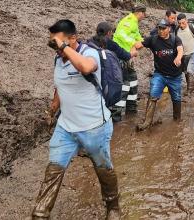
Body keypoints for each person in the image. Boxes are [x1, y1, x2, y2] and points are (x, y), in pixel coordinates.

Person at [31, 20, 120, 220]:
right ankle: (40, 212)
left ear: (73, 38)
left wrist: (63, 47)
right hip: (66, 128)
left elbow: (86, 68)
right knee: (54, 168)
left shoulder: (89, 53)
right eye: (53, 42)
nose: (56, 47)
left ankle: (113, 205)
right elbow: (60, 87)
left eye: (59, 42)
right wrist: (52, 109)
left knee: (103, 168)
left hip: (95, 127)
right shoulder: (58, 59)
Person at [137, 19, 183, 131]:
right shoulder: (153, 39)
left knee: (176, 98)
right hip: (160, 74)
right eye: (159, 28)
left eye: (163, 28)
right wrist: (131, 50)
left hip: (175, 76)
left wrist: (178, 57)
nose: (161, 30)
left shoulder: (175, 39)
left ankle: (177, 121)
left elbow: (180, 49)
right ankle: (147, 122)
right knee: (153, 95)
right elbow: (139, 44)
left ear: (169, 29)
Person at [90, 21, 138, 122]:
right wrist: (133, 52)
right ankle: (115, 118)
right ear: (109, 33)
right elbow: (126, 55)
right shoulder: (111, 44)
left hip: (94, 74)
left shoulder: (90, 42)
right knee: (119, 92)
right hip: (110, 76)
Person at [113, 4, 147, 115]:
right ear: (140, 13)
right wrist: (133, 43)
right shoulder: (128, 20)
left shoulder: (135, 23)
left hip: (129, 57)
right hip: (120, 56)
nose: (145, 16)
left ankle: (131, 109)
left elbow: (137, 36)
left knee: (133, 81)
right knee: (124, 84)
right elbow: (121, 35)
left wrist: (145, 42)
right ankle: (116, 114)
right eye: (144, 14)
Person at [176, 13, 194, 96]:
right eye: (179, 23)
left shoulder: (192, 27)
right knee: (185, 72)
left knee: (189, 71)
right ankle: (189, 87)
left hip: (192, 53)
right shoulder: (177, 29)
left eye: (183, 23)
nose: (181, 25)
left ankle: (189, 91)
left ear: (186, 20)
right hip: (182, 55)